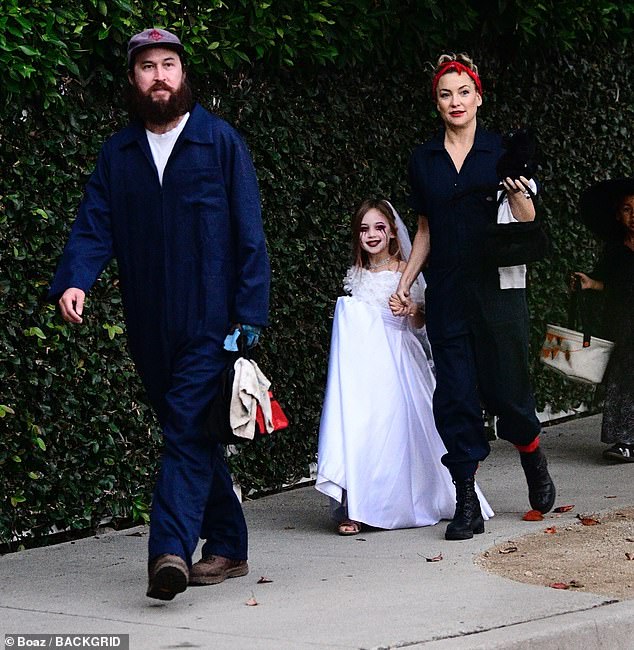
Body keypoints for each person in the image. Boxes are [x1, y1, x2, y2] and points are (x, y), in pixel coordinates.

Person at [48, 28, 270, 600]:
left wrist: (249, 314)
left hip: (210, 322)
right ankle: (230, 545)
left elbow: (250, 235)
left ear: (183, 74)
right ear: (133, 79)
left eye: (168, 64)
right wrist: (76, 279)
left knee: (183, 430)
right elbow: (95, 223)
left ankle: (168, 550)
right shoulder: (118, 154)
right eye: (147, 67)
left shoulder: (220, 142)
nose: (159, 76)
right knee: (189, 428)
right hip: (148, 323)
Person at [391, 53, 555, 541]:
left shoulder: (500, 151)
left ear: (478, 97)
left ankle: (530, 450)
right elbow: (424, 227)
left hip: (499, 290)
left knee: (508, 389)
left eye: (464, 92)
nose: (455, 101)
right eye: (446, 94)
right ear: (437, 103)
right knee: (455, 395)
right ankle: (467, 502)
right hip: (447, 292)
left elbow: (527, 221)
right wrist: (407, 279)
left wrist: (519, 190)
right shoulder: (424, 160)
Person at [315, 198, 493, 535]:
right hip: (361, 371)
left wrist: (410, 309)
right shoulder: (356, 273)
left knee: (394, 430)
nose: (372, 235)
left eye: (379, 227)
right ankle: (357, 505)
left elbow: (423, 320)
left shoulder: (404, 271)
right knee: (360, 429)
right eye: (364, 228)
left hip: (397, 362)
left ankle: (397, 501)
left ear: (393, 234)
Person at [573, 180, 634, 462]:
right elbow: (607, 283)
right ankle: (624, 440)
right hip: (623, 325)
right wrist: (589, 283)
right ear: (618, 214)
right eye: (626, 209)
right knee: (622, 379)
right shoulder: (615, 249)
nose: (633, 215)